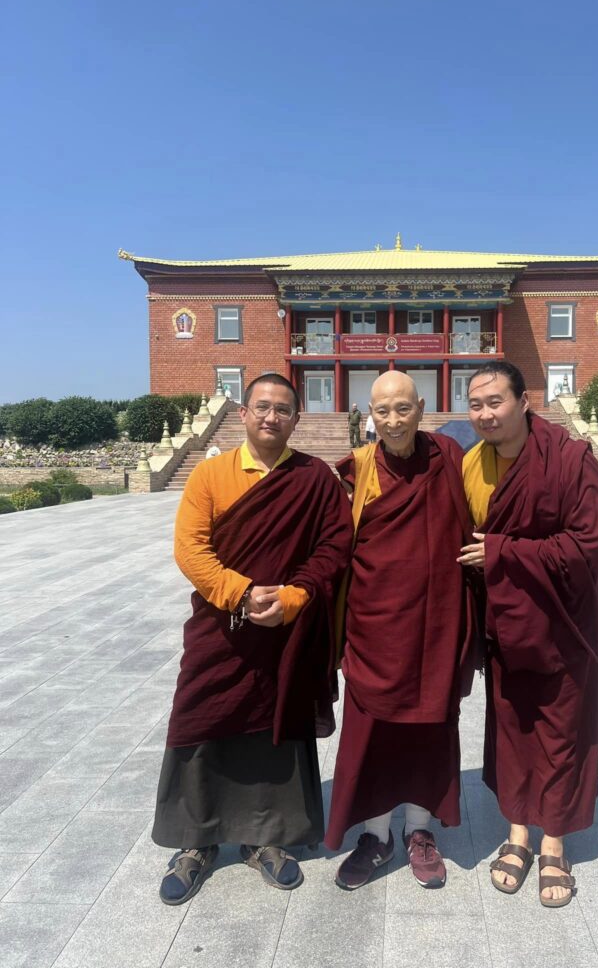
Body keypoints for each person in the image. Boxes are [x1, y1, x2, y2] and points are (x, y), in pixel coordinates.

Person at [153, 373, 353, 904]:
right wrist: (241, 594)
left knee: (276, 724)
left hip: (286, 629)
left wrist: (292, 598)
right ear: (243, 412)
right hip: (222, 627)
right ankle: (196, 841)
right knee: (200, 717)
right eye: (262, 407)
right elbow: (190, 549)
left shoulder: (315, 479)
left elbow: (336, 547)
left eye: (282, 410)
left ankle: (270, 839)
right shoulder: (211, 474)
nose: (271, 417)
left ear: (296, 419)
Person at [458, 361, 598, 908]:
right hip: (507, 622)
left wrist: (505, 552)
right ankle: (517, 833)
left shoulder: (571, 461)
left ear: (523, 401)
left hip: (563, 623)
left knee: (560, 730)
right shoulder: (471, 464)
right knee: (512, 726)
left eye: (495, 401)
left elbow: (593, 547)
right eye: (475, 404)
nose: (484, 413)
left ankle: (553, 843)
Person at [326, 370, 477, 890]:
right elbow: (333, 546)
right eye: (382, 411)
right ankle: (375, 834)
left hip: (436, 622)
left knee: (430, 729)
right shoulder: (357, 470)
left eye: (403, 409)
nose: (393, 421)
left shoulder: (451, 459)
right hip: (375, 626)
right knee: (372, 732)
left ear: (422, 408)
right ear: (371, 414)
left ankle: (419, 830)